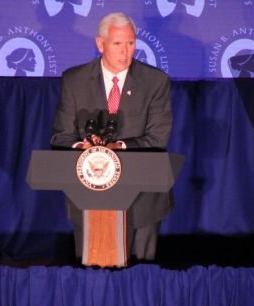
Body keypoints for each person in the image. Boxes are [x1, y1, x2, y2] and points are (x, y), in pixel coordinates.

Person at [50, 12, 173, 264]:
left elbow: (158, 138)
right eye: (118, 44)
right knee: (93, 279)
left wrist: (118, 146)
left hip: (143, 199)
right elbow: (61, 136)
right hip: (89, 196)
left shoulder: (155, 81)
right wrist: (83, 147)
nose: (125, 51)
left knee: (140, 282)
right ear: (100, 44)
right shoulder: (74, 80)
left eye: (130, 43)